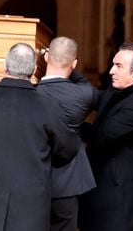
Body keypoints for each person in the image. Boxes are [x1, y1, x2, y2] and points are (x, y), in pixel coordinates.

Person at [0, 42, 79, 231]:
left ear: (5, 66)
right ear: (35, 69)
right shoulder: (49, 106)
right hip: (31, 207)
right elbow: (67, 149)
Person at [79, 42, 133, 231]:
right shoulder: (119, 92)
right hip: (104, 197)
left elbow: (102, 135)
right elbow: (94, 96)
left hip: (121, 201)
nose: (111, 71)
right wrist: (64, 70)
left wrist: (65, 123)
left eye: (119, 66)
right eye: (113, 64)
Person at [37, 36, 97, 231]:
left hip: (36, 179)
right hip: (69, 182)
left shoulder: (32, 94)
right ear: (75, 63)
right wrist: (69, 61)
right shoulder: (84, 95)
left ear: (46, 58)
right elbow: (85, 83)